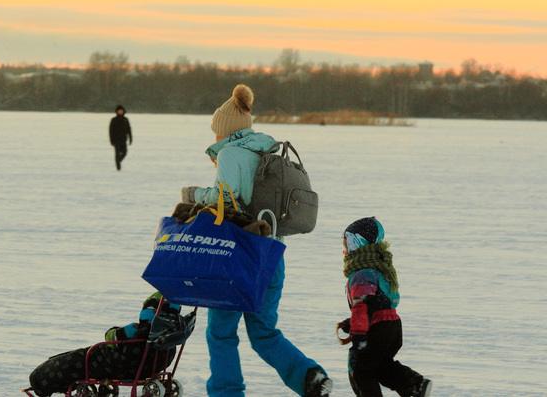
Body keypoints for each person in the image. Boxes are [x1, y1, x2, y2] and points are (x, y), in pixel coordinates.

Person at [180, 84, 332, 397]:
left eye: (216, 132)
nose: (215, 138)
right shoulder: (268, 152)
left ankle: (227, 393)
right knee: (264, 331)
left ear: (225, 131)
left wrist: (194, 195)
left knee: (221, 333)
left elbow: (225, 199)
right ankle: (310, 378)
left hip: (239, 257)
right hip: (272, 255)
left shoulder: (230, 155)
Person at [337, 217, 432, 397]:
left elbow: (363, 306)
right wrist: (352, 323)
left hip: (377, 330)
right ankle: (414, 385)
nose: (344, 251)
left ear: (357, 243)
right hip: (393, 327)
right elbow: (374, 305)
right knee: (379, 366)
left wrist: (358, 335)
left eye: (346, 244)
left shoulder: (361, 271)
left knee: (360, 370)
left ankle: (413, 385)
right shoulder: (380, 266)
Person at [28, 292, 181, 397]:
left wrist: (116, 331)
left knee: (76, 361)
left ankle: (40, 381)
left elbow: (110, 335)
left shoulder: (136, 331)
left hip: (117, 366)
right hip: (148, 369)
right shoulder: (170, 339)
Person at [108, 104, 132, 170]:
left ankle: (118, 161)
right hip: (116, 140)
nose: (120, 112)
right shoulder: (114, 120)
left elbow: (129, 130)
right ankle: (118, 167)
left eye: (121, 111)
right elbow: (111, 131)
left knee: (124, 152)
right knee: (117, 153)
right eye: (119, 111)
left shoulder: (125, 119)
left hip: (123, 139)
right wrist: (111, 140)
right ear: (116, 112)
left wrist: (130, 138)